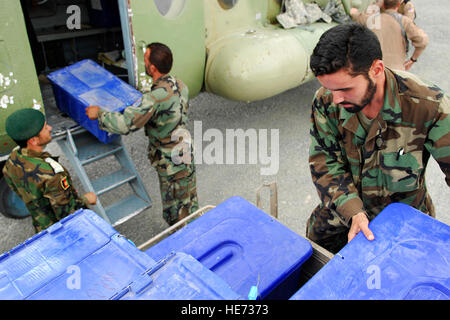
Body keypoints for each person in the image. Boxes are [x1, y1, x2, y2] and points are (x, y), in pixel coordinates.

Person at [306, 23, 450, 254]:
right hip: (341, 219)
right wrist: (353, 211)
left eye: (345, 89)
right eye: (329, 89)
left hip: (405, 226)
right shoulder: (325, 100)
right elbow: (325, 162)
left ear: (377, 69)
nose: (335, 99)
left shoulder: (428, 105)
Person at [86, 42, 199, 227]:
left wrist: (99, 114)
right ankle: (198, 235)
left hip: (170, 163)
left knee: (175, 213)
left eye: (145, 59)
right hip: (185, 153)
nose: (143, 62)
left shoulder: (153, 98)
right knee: (190, 203)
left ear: (152, 67)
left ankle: (183, 245)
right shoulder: (180, 84)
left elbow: (125, 125)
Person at [2, 108, 97, 233]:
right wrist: (86, 199)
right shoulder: (51, 173)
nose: (50, 128)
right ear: (34, 140)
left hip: (41, 228)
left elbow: (15, 186)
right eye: (45, 128)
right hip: (63, 231)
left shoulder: (13, 158)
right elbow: (67, 213)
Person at [350, 0, 428, 71]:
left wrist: (377, 5)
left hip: (374, 67)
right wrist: (413, 59)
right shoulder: (404, 19)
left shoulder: (408, 6)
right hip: (396, 68)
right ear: (398, 4)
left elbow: (358, 16)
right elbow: (423, 40)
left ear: (383, 4)